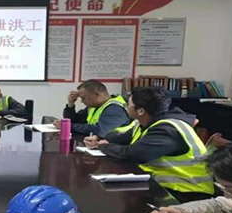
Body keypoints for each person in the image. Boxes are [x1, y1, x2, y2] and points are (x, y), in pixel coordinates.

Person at [85, 86, 214, 202]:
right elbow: (122, 136)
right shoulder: (146, 122)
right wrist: (102, 139)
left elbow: (134, 154)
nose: (125, 107)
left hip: (186, 192)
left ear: (140, 111)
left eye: (128, 104)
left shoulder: (167, 130)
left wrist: (102, 146)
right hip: (162, 186)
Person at [54, 79, 132, 137]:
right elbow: (75, 121)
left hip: (115, 147)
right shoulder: (94, 106)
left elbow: (99, 131)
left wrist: (68, 126)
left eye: (83, 98)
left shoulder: (115, 109)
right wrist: (70, 105)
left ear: (96, 95)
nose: (82, 101)